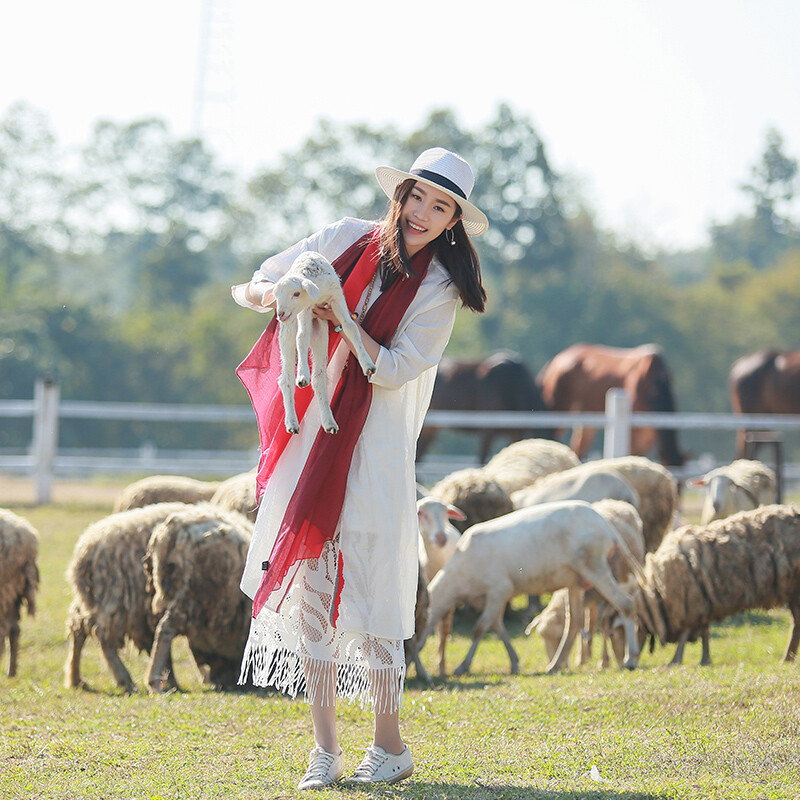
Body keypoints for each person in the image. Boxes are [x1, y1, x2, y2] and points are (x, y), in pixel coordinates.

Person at [231, 147, 488, 789]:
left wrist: (343, 320)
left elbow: (397, 368)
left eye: (442, 206)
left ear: (454, 219)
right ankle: (324, 752)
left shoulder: (439, 290)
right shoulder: (344, 238)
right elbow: (261, 280)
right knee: (312, 581)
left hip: (373, 445)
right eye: (418, 197)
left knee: (373, 585)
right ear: (399, 195)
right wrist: (285, 299)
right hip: (313, 432)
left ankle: (389, 745)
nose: (424, 213)